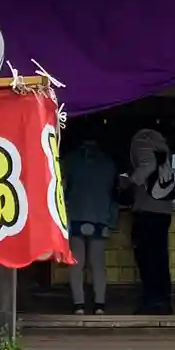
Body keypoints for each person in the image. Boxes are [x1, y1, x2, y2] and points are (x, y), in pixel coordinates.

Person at [61, 135, 119, 316]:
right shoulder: (108, 163)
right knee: (98, 263)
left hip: (76, 214)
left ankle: (78, 304)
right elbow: (114, 193)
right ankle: (99, 304)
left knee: (76, 263)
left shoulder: (70, 160)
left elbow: (62, 188)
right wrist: (112, 219)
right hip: (100, 216)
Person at [128, 119, 175, 315]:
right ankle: (163, 300)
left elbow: (148, 164)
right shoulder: (162, 144)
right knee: (160, 257)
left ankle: (151, 301)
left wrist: (130, 183)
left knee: (146, 257)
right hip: (163, 208)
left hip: (147, 208)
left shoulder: (142, 139)